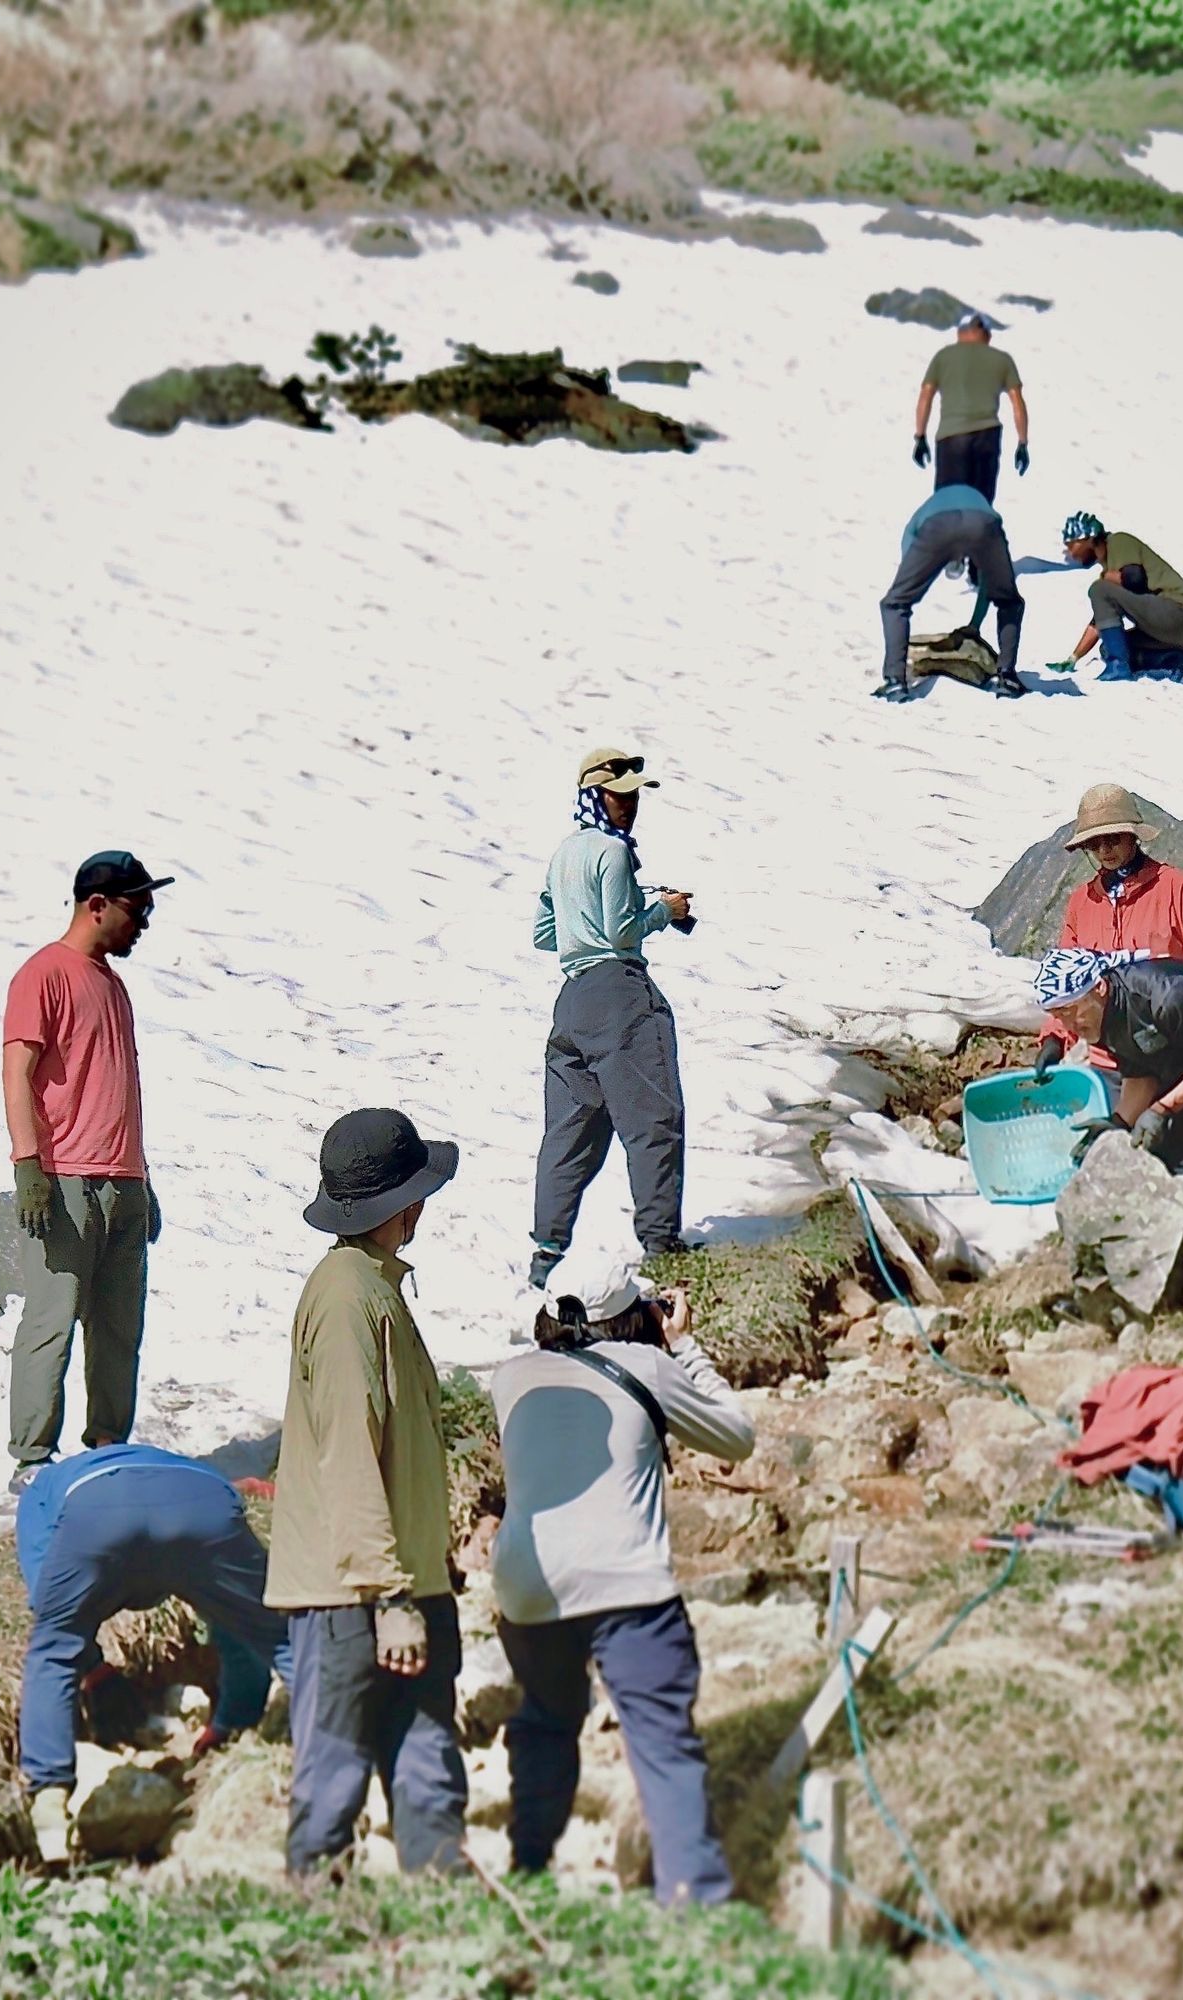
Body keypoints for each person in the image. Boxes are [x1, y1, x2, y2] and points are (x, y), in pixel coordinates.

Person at [488, 1253, 754, 1905]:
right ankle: (695, 1905)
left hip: (529, 1588)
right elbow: (736, 1436)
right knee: (663, 1744)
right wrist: (683, 1346)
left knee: (548, 1720)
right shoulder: (651, 1366)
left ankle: (529, 1874)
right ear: (634, 1315)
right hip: (627, 1584)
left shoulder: (509, 1377)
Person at [265, 1108, 468, 1878]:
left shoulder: (370, 1288)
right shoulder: (349, 1299)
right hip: (356, 1593)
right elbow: (349, 1453)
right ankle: (317, 1927)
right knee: (336, 1772)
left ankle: (439, 1925)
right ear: (404, 1206)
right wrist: (387, 1598)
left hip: (401, 1584)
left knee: (427, 1763)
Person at [18, 1444, 291, 1860]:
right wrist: (231, 1723)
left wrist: (91, 1668)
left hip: (99, 1514)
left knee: (52, 1651)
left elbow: (51, 1609)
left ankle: (50, 1808)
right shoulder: (195, 1471)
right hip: (204, 1503)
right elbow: (240, 1628)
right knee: (278, 1632)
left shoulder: (39, 1494)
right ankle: (344, 1748)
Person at [2, 851, 174, 1495]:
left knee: (118, 1325)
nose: (145, 923)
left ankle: (108, 1444)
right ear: (96, 905)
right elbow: (18, 1073)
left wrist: (143, 1178)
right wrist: (28, 1166)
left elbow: (117, 1086)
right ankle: (31, 1458)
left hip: (123, 1181)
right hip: (66, 1180)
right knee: (51, 1321)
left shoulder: (113, 984)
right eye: (138, 909)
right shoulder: (43, 974)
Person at [531, 749, 691, 1291]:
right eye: (621, 794)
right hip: (619, 994)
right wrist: (666, 912)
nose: (631, 805)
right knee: (654, 1121)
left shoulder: (563, 854)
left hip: (570, 1002)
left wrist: (583, 925)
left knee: (568, 1135)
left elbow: (544, 934)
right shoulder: (613, 853)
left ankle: (546, 1256)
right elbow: (624, 933)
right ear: (595, 793)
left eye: (635, 794)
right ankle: (661, 1246)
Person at [1034, 784, 1183, 1102]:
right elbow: (1065, 979)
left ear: (1133, 836)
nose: (1105, 850)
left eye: (1113, 839)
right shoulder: (1082, 902)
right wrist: (1054, 1037)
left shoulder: (1174, 886)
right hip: (1109, 1062)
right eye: (1094, 844)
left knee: (1169, 1145)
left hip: (1172, 1055)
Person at [1033, 947, 1183, 1182]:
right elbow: (1140, 1072)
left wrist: (1162, 1109)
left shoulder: (1169, 996)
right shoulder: (1098, 1017)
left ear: (1099, 987)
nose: (1068, 1025)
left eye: (1069, 1011)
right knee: (1164, 1146)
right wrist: (1118, 1123)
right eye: (1058, 1016)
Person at [873, 484, 1026, 704]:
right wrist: (974, 624)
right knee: (1009, 602)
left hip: (938, 524)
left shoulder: (920, 518)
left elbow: (907, 566)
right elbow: (990, 585)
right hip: (986, 523)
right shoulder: (979, 507)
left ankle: (895, 682)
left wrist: (906, 591)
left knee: (894, 604)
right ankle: (1007, 678)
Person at [1051, 511, 1183, 683]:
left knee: (1099, 589)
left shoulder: (1119, 542)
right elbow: (1101, 622)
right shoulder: (1110, 568)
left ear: (1089, 539)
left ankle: (1117, 668)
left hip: (1179, 613)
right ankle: (1178, 664)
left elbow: (1135, 578)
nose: (1072, 554)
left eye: (1072, 545)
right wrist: (1073, 658)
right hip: (1175, 630)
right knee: (1110, 648)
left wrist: (1107, 579)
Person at [912, 311, 1029, 501]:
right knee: (981, 505)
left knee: (948, 506)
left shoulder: (943, 357)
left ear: (962, 332)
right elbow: (1017, 402)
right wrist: (1022, 443)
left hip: (951, 439)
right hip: (987, 438)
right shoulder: (1002, 359)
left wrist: (920, 437)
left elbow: (926, 395)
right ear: (983, 333)